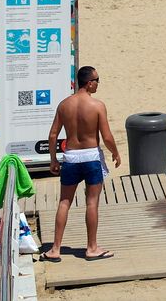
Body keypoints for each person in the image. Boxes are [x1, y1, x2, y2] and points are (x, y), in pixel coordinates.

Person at [41, 67, 122, 262]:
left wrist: (53, 159)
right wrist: (116, 153)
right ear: (89, 82)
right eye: (97, 80)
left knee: (64, 202)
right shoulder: (97, 106)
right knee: (92, 203)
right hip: (91, 157)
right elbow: (107, 136)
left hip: (71, 157)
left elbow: (53, 135)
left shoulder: (64, 105)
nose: (97, 84)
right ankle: (92, 248)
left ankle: (55, 249)